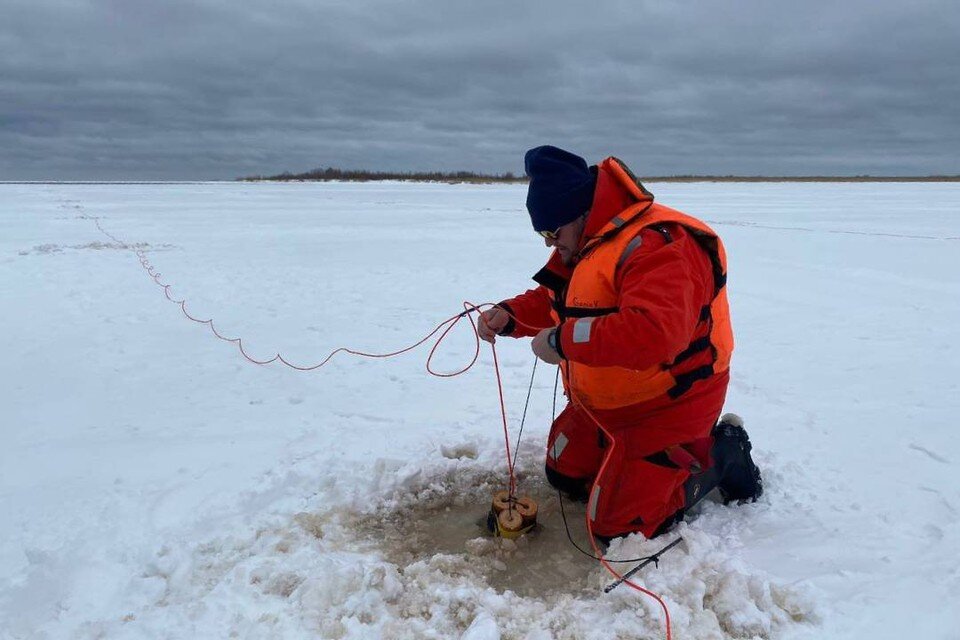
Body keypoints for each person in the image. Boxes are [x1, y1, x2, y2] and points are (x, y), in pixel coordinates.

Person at [479, 145, 763, 541]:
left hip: (670, 403)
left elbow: (655, 333)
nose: (548, 243)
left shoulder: (663, 245)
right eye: (541, 234)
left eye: (551, 232)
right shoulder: (587, 242)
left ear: (580, 214)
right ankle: (625, 465)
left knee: (616, 528)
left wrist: (562, 341)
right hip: (608, 402)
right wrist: (511, 316)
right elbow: (561, 300)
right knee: (563, 472)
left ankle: (723, 454)